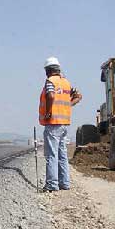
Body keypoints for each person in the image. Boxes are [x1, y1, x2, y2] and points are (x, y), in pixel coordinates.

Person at [39, 56, 82, 192]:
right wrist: (68, 105)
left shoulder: (50, 81)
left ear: (48, 70)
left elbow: (51, 95)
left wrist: (49, 112)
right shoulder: (66, 83)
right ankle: (65, 183)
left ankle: (52, 184)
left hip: (53, 123)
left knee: (51, 154)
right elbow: (79, 96)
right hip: (64, 123)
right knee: (62, 154)